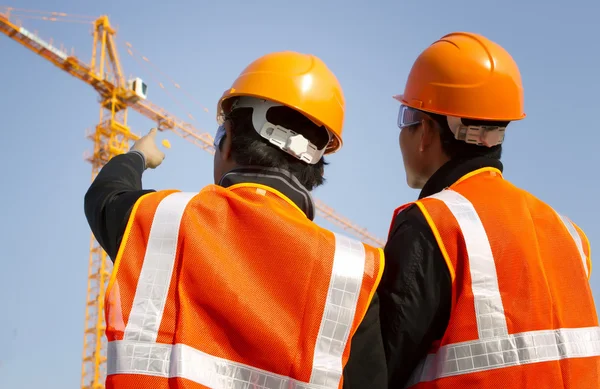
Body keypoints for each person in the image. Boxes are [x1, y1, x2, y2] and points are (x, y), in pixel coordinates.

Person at [84, 51, 387, 389]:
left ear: (227, 141)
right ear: (314, 167)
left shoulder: (168, 221)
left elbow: (105, 195)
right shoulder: (350, 276)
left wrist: (137, 155)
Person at [379, 32, 600, 388]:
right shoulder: (570, 234)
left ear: (427, 132)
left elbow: (377, 369)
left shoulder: (433, 224)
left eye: (407, 116)